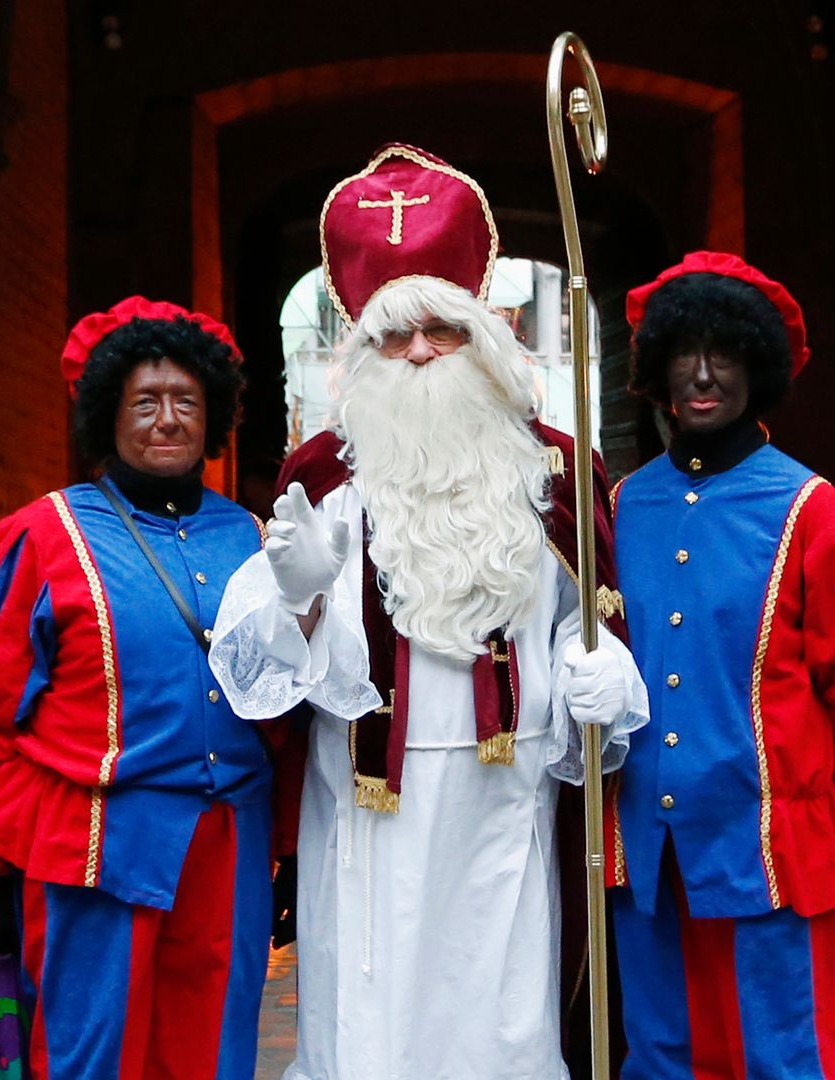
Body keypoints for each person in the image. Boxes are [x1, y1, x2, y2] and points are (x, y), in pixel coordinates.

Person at [209, 143, 649, 1080]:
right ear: (359, 353)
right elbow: (262, 672)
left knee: (498, 1012)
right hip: (370, 804)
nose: (415, 353)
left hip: (508, 796)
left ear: (482, 334)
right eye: (389, 335)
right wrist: (294, 597)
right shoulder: (323, 474)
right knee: (374, 1013)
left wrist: (611, 672)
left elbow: (598, 614)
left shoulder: (558, 469)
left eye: (438, 331)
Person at [0, 297, 278, 1079]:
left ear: (213, 415)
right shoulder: (40, 534)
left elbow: (279, 709)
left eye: (186, 402)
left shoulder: (252, 536)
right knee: (89, 1052)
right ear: (107, 416)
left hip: (229, 843)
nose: (167, 420)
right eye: (145, 402)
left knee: (216, 1049)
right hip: (93, 845)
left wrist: (287, 840)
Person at [607, 251, 835, 1078]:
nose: (703, 375)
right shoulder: (621, 506)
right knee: (662, 1052)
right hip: (646, 848)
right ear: (658, 368)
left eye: (726, 354)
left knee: (787, 1054)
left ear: (759, 365)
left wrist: (788, 769)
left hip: (769, 842)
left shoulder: (810, 509)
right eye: (685, 354)